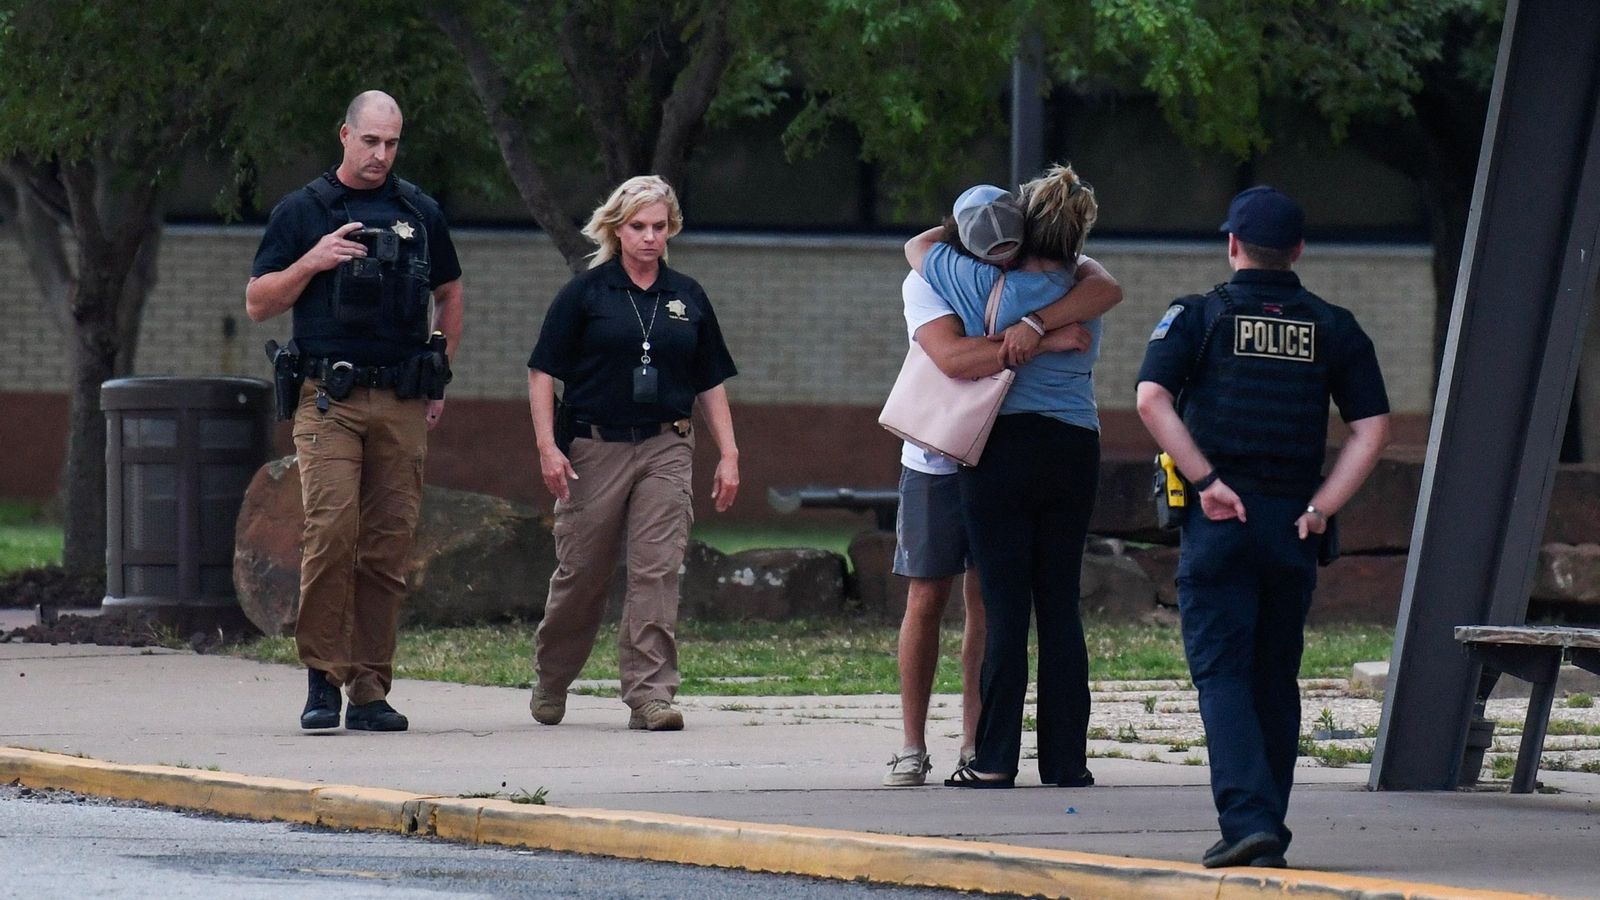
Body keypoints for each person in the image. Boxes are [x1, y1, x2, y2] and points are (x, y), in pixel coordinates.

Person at [1135, 186, 1390, 868]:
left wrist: (1206, 483)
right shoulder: (1333, 326)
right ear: (1297, 250)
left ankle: (1248, 821)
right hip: (1293, 526)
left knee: (1223, 673)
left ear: (1232, 245)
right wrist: (1322, 508)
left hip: (1221, 519)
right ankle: (1266, 824)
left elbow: (1152, 399)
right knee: (1275, 677)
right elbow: (1372, 429)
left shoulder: (1200, 315)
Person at [246, 90, 465, 733]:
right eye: (370, 141)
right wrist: (312, 261)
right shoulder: (303, 210)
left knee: (388, 544)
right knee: (332, 531)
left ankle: (370, 690)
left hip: (401, 398)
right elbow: (258, 301)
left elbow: (450, 293)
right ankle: (323, 676)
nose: (381, 154)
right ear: (344, 135)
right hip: (328, 399)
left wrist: (439, 373)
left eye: (392, 143)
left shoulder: (419, 211)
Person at [885, 186, 1111, 787]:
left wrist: (1025, 327)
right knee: (1058, 604)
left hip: (999, 447)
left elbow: (916, 247)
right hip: (1073, 445)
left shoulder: (971, 278)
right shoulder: (1078, 283)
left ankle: (992, 759)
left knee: (1004, 606)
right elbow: (1110, 288)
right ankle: (1066, 762)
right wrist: (1045, 331)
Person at [526, 175, 739, 732]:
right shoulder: (586, 293)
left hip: (668, 443)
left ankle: (650, 695)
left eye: (659, 227)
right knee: (583, 573)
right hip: (594, 446)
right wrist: (548, 447)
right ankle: (552, 676)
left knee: (656, 571)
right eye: (638, 227)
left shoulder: (687, 296)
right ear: (617, 230)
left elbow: (710, 379)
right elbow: (542, 371)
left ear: (671, 230)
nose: (649, 237)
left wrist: (729, 453)